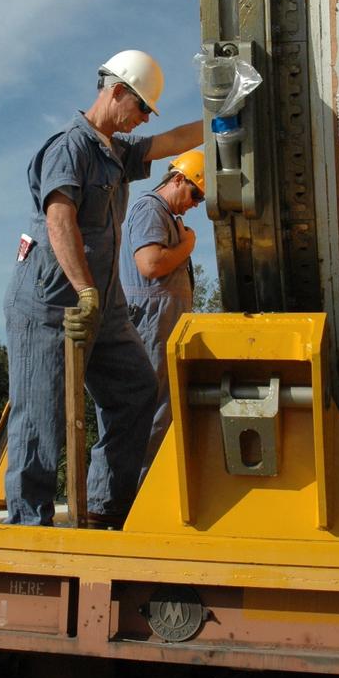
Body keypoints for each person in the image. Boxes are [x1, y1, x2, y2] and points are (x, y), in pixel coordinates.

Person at [4, 50, 204, 528]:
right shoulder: (70, 147)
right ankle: (29, 526)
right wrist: (83, 289)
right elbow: (59, 218)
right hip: (51, 301)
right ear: (116, 92)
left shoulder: (116, 149)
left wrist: (221, 114)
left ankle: (104, 508)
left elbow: (169, 141)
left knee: (136, 388)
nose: (141, 120)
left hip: (103, 302)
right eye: (139, 108)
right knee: (41, 416)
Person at [120, 149, 205, 481]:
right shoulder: (149, 209)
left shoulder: (169, 218)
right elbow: (151, 264)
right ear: (178, 179)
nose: (195, 204)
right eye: (195, 193)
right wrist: (188, 245)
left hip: (163, 322)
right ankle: (134, 495)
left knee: (162, 411)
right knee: (149, 410)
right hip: (151, 322)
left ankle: (144, 490)